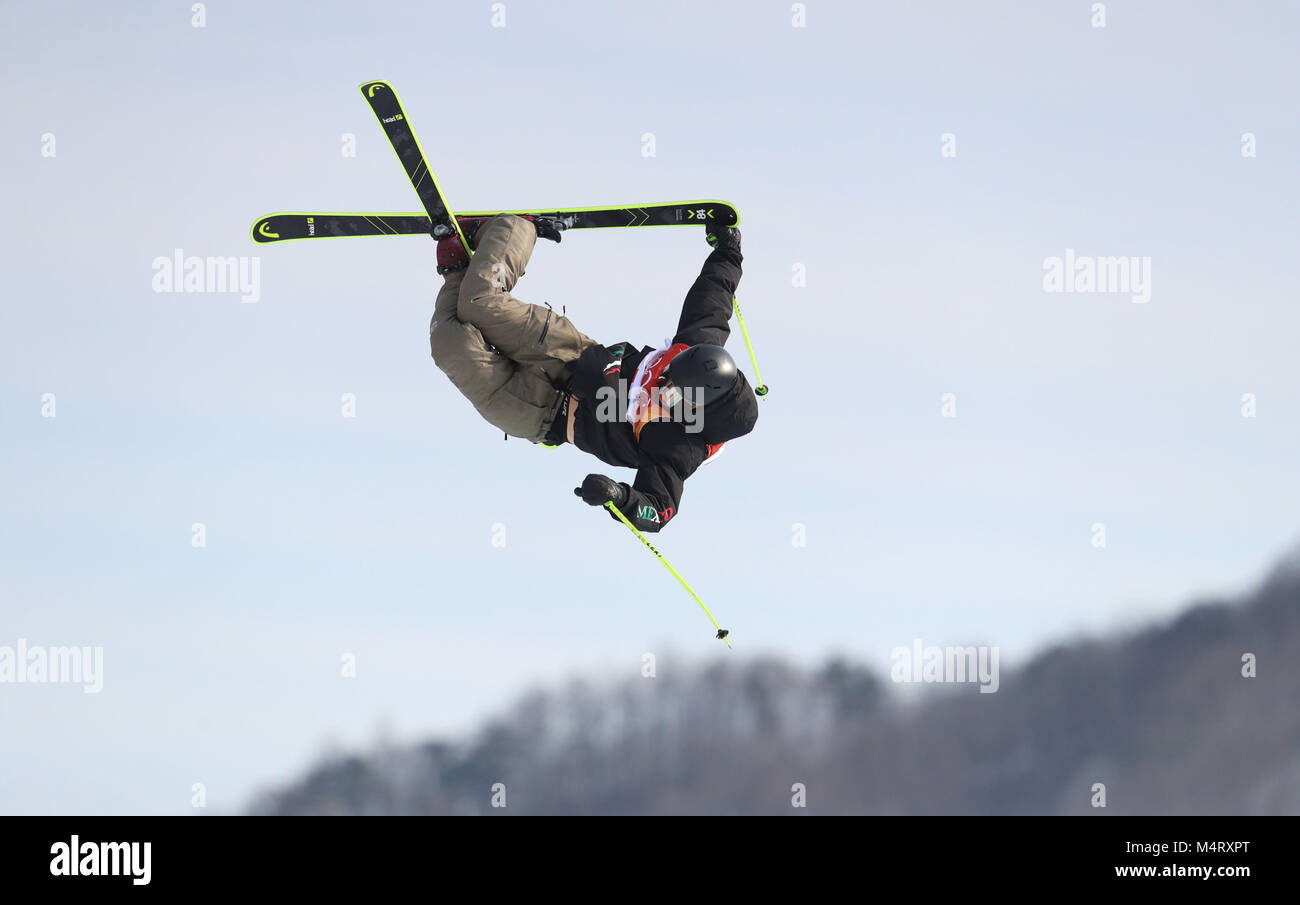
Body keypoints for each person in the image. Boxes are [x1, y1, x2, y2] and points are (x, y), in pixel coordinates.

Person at [429, 213, 758, 533]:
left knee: (448, 343)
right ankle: (515, 229)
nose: (663, 384)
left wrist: (619, 497)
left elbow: (658, 510)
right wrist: (728, 250)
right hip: (569, 354)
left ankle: (459, 268)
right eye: (669, 373)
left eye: (672, 394)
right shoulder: (699, 346)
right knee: (479, 304)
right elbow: (715, 295)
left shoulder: (680, 447)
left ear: (696, 411)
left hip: (541, 413)